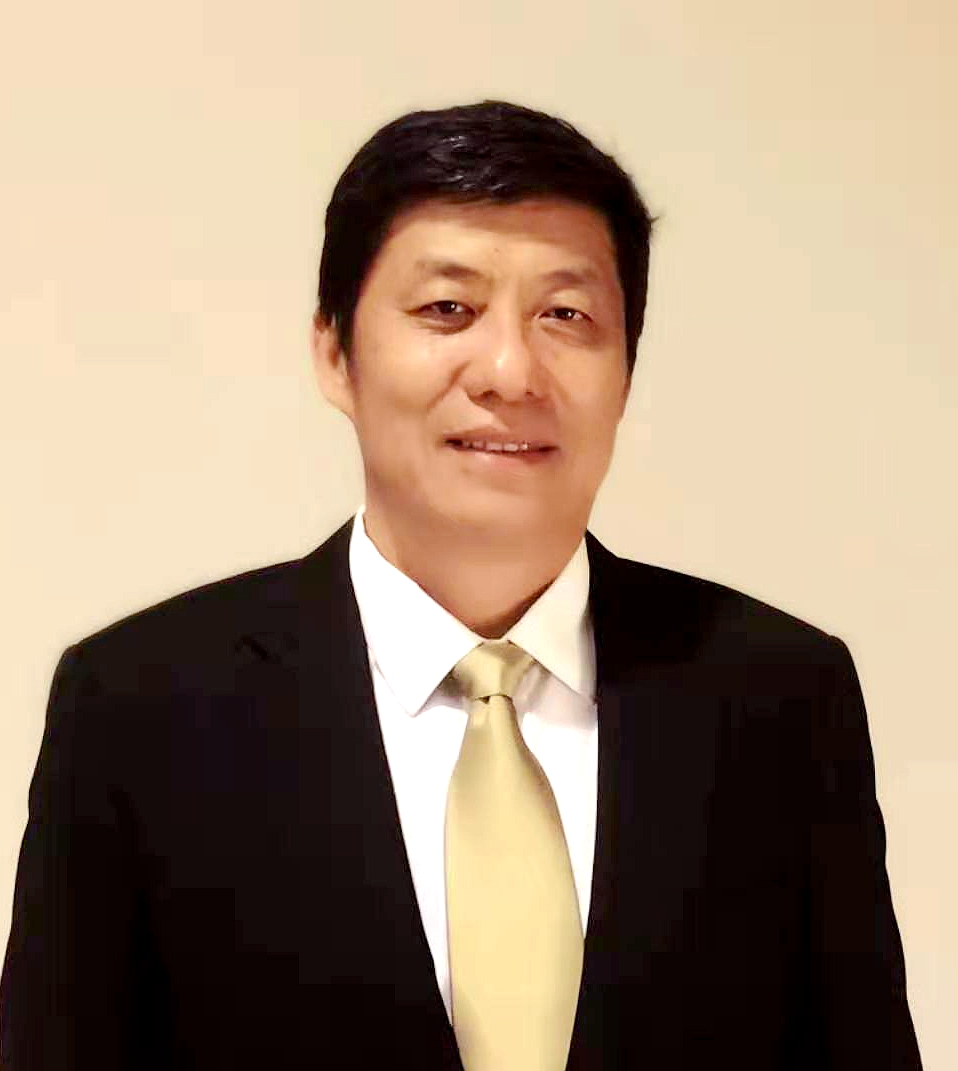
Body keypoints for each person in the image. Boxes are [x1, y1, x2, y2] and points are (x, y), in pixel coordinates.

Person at [0, 100, 922, 1070]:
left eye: (566, 315)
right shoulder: (141, 705)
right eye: (448, 309)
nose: (511, 371)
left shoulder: (779, 695)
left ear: (626, 370)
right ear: (334, 352)